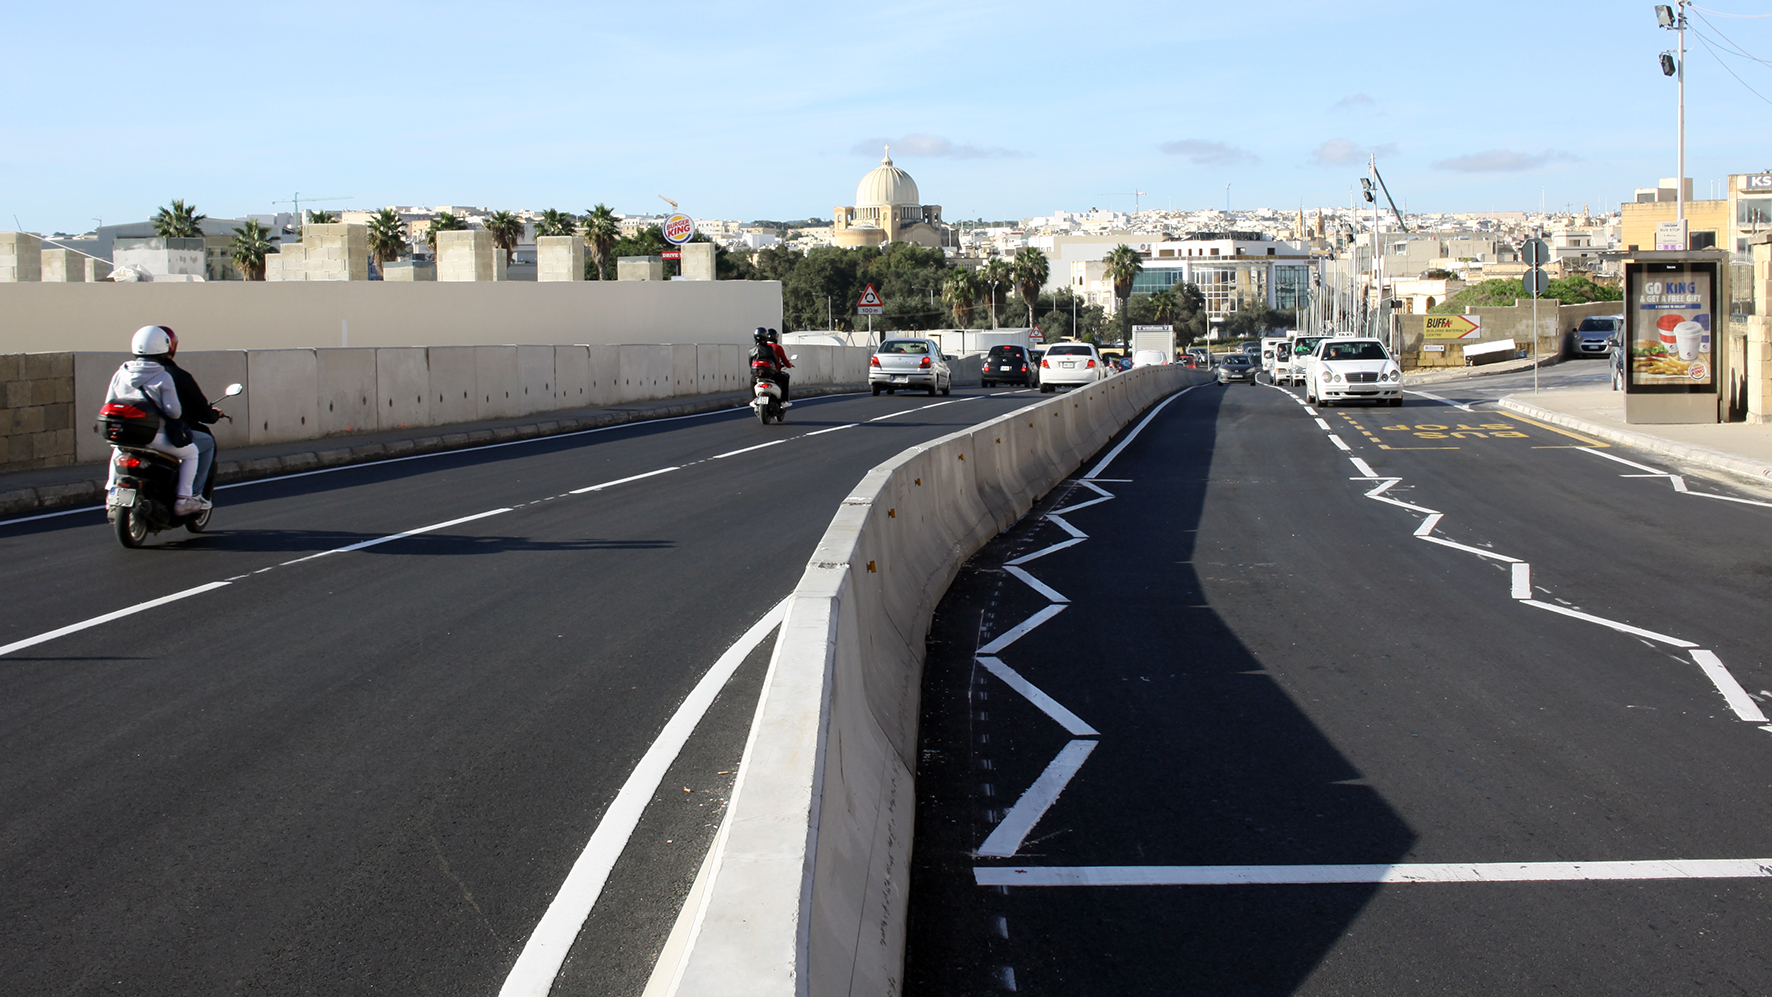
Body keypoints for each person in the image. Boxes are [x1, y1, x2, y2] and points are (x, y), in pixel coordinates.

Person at [105, 325, 207, 516]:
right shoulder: (162, 376)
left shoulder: (120, 373)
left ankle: (112, 495)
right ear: (165, 347)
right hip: (154, 437)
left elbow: (109, 402)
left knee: (118, 451)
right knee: (191, 453)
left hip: (126, 435)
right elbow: (174, 412)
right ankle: (183, 500)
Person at [153, 326, 225, 495]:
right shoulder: (172, 376)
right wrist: (214, 414)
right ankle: (191, 495)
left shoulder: (126, 373)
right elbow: (175, 411)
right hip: (163, 435)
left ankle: (112, 493)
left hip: (133, 434)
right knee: (202, 445)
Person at [766, 328, 793, 401]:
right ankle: (784, 400)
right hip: (774, 374)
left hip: (761, 375)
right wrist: (789, 365)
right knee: (786, 377)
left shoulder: (761, 347)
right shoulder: (777, 347)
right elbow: (785, 361)